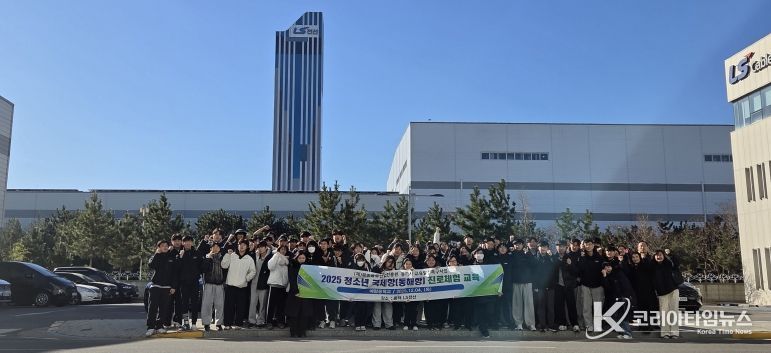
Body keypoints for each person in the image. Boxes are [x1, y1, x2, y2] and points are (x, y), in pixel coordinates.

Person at [221, 239, 256, 329]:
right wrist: (228, 255)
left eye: (244, 245)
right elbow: (224, 265)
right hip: (230, 285)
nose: (242, 246)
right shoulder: (232, 255)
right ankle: (227, 324)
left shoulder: (249, 258)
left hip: (242, 286)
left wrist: (246, 279)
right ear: (237, 245)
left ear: (247, 247)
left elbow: (253, 271)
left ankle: (238, 324)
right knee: (229, 306)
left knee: (240, 306)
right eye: (240, 244)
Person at [146, 240, 178, 337]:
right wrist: (156, 254)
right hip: (155, 286)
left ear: (168, 247)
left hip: (167, 287)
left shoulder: (172, 258)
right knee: (152, 308)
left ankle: (160, 326)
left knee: (163, 308)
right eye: (162, 246)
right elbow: (151, 266)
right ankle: (150, 327)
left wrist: (173, 287)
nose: (164, 247)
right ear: (158, 247)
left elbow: (174, 274)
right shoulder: (155, 256)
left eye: (166, 245)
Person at [572, 238, 604, 332]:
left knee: (598, 306)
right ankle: (588, 325)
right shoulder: (581, 257)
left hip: (598, 285)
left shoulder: (599, 256)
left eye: (590, 244)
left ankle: (597, 325)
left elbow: (604, 265)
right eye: (586, 244)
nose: (588, 246)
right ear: (584, 246)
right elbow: (578, 270)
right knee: (586, 307)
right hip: (585, 285)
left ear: (593, 245)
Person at [601, 261, 635, 339]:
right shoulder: (606, 276)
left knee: (622, 316)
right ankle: (622, 332)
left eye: (609, 266)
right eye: (605, 267)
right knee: (613, 316)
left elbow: (625, 285)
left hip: (622, 298)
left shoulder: (618, 273)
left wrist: (625, 296)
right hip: (615, 299)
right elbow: (607, 288)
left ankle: (628, 333)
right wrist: (605, 276)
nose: (607, 268)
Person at [652, 249, 680, 339]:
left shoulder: (668, 264)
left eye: (660, 255)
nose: (658, 257)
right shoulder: (652, 266)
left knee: (673, 311)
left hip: (673, 290)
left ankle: (674, 333)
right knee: (663, 313)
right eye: (656, 255)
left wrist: (671, 254)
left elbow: (676, 263)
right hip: (661, 293)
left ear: (664, 256)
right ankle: (665, 333)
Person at [286, 252, 314, 337]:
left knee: (304, 314)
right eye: (300, 258)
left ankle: (302, 331)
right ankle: (293, 332)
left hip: (305, 294)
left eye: (303, 258)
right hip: (295, 293)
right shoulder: (293, 267)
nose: (302, 260)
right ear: (297, 258)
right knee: (294, 314)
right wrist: (296, 291)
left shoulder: (309, 268)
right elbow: (292, 279)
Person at [177, 235, 203, 330]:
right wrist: (180, 257)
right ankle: (186, 323)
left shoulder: (197, 253)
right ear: (183, 243)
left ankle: (194, 323)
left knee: (194, 303)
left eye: (189, 241)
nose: (187, 243)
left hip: (195, 282)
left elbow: (202, 267)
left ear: (192, 243)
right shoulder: (180, 254)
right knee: (184, 303)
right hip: (183, 283)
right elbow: (177, 268)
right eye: (185, 241)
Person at [510, 239, 536, 331]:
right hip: (516, 281)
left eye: (519, 244)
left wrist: (528, 254)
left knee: (529, 304)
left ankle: (531, 324)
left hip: (528, 281)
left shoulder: (528, 254)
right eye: (516, 244)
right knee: (517, 304)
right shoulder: (511, 255)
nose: (517, 246)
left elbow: (534, 264)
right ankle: (518, 323)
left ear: (522, 245)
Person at [554, 240, 579, 331]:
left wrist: (570, 264)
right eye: (559, 246)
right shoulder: (553, 257)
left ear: (566, 247)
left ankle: (575, 324)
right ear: (556, 247)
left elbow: (576, 272)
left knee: (571, 305)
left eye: (563, 246)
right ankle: (562, 323)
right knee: (559, 305)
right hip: (558, 285)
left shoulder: (570, 257)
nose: (561, 248)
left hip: (568, 285)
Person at [200, 241, 225, 331]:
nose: (215, 248)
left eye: (217, 246)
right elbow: (203, 269)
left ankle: (218, 323)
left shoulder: (222, 257)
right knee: (207, 304)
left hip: (220, 284)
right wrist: (208, 258)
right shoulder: (206, 257)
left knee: (220, 304)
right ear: (210, 248)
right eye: (213, 247)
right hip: (209, 283)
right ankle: (206, 323)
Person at [533, 241, 557, 332]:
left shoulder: (551, 257)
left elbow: (556, 268)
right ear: (538, 248)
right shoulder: (535, 258)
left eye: (545, 247)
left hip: (550, 286)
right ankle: (542, 325)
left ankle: (551, 325)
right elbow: (533, 274)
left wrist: (551, 257)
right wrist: (535, 286)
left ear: (548, 248)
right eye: (541, 247)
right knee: (541, 306)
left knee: (550, 306)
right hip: (539, 286)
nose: (543, 249)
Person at [472, 248, 496, 338]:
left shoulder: (489, 266)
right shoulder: (470, 267)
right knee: (481, 313)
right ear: (474, 255)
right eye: (477, 253)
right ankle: (484, 330)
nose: (479, 254)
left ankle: (484, 326)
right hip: (477, 294)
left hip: (488, 293)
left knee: (489, 312)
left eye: (481, 253)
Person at [248, 241, 272, 328]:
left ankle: (261, 321)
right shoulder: (255, 256)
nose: (260, 248)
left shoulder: (270, 257)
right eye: (259, 247)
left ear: (266, 247)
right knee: (252, 303)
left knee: (262, 304)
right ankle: (251, 320)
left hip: (264, 284)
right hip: (254, 283)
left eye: (262, 247)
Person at [446, 255, 473, 331]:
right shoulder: (445, 271)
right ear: (448, 263)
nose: (453, 263)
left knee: (467, 310)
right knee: (456, 311)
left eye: (455, 261)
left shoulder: (463, 269)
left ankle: (468, 325)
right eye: (451, 261)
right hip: (453, 295)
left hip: (465, 293)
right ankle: (457, 325)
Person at [267, 244, 290, 329]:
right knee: (271, 306)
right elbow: (270, 266)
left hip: (283, 286)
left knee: (281, 306)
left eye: (285, 249)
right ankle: (269, 322)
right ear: (278, 250)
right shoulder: (275, 257)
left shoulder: (286, 260)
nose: (283, 251)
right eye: (282, 249)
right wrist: (277, 255)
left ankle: (280, 321)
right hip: (274, 284)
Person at [422, 255, 448, 330]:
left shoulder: (439, 269)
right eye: (429, 260)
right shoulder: (421, 271)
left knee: (438, 309)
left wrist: (439, 270)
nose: (431, 261)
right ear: (426, 261)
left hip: (437, 294)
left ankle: (438, 324)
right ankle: (430, 325)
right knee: (428, 310)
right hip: (427, 294)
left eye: (433, 260)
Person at [492, 242, 514, 329]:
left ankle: (509, 323)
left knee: (506, 306)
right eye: (500, 247)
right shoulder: (494, 259)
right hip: (496, 286)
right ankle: (495, 323)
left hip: (507, 286)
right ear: (498, 249)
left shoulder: (510, 258)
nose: (502, 249)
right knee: (496, 306)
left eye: (504, 247)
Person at [372, 255, 396, 330]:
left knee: (388, 307)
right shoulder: (377, 268)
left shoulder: (396, 271)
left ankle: (389, 324)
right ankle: (376, 324)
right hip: (377, 292)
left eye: (393, 263)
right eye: (389, 262)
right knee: (377, 307)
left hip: (388, 293)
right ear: (385, 262)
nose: (391, 264)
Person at [350, 253, 372, 331]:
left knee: (364, 310)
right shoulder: (353, 268)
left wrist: (367, 268)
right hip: (356, 293)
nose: (360, 262)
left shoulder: (367, 268)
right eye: (358, 260)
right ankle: (357, 324)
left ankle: (363, 324)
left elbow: (371, 277)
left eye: (362, 260)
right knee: (357, 310)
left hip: (365, 293)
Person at [401, 258, 419, 331]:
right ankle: (406, 324)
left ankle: (414, 324)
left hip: (414, 293)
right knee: (407, 310)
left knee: (414, 309)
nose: (408, 265)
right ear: (404, 265)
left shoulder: (416, 272)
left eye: (410, 264)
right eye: (406, 264)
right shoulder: (400, 273)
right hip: (404, 294)